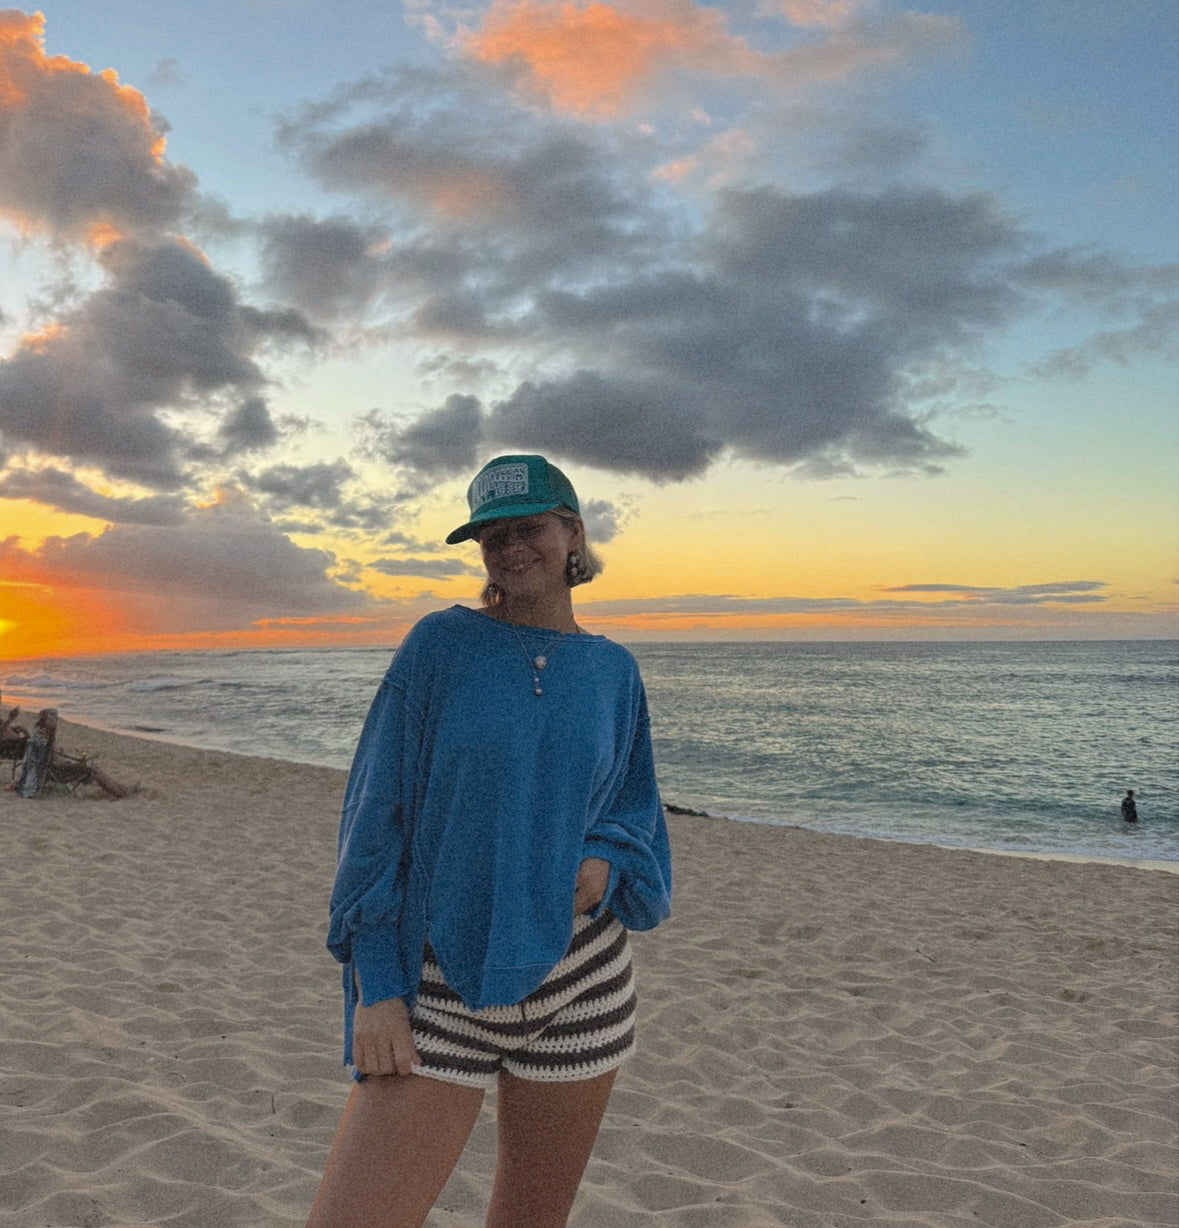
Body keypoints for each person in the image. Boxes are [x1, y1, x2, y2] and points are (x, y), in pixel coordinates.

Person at [306, 455, 672, 1228]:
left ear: (571, 532)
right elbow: (375, 816)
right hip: (439, 984)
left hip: (583, 980)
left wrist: (607, 856)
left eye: (528, 527)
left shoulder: (613, 669)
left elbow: (634, 805)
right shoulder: (439, 646)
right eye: (491, 535)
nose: (510, 547)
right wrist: (377, 987)